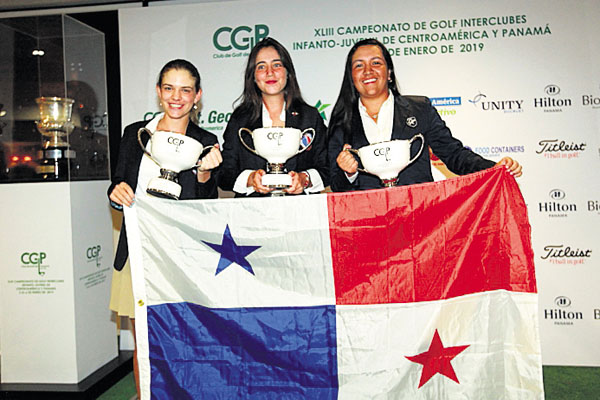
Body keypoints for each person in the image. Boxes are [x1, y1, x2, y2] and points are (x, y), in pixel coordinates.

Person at [107, 59, 222, 399]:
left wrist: (204, 174)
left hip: (181, 254)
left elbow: (206, 204)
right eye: (169, 88)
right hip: (137, 248)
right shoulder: (135, 134)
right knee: (142, 336)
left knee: (184, 334)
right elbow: (118, 185)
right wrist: (115, 194)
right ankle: (145, 395)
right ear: (159, 93)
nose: (177, 97)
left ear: (197, 96)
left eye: (186, 89)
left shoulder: (206, 140)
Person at [328, 38, 522, 192]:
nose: (368, 71)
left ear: (389, 73)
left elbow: (453, 154)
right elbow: (338, 186)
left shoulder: (420, 109)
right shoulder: (341, 122)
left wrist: (493, 168)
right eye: (359, 66)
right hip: (368, 223)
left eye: (376, 63)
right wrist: (349, 173)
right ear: (352, 78)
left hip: (419, 217)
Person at [218, 37, 329, 196]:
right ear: (253, 76)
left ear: (288, 72)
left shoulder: (309, 117)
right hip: (252, 215)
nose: (270, 73)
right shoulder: (240, 120)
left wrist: (304, 179)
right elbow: (224, 175)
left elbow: (328, 168)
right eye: (261, 67)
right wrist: (250, 179)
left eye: (277, 65)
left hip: (300, 214)